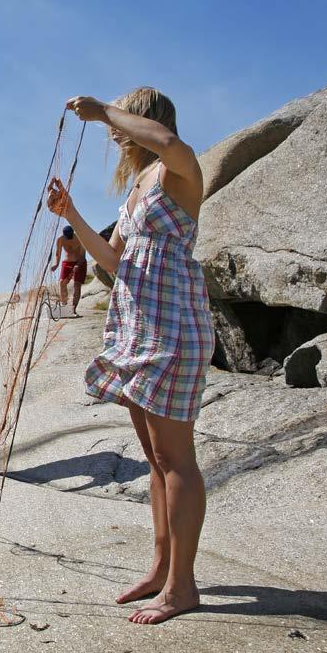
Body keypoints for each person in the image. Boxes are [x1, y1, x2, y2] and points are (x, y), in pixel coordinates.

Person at [47, 88, 215, 624]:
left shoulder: (177, 171)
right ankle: (162, 568)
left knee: (178, 460)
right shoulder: (137, 189)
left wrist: (103, 111)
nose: (112, 132)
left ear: (140, 118)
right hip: (137, 330)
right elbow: (115, 261)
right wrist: (70, 211)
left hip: (175, 330)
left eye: (121, 120)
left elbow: (167, 141)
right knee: (156, 460)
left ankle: (183, 587)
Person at [50, 225, 87, 315]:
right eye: (68, 237)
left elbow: (83, 255)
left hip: (80, 262)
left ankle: (73, 310)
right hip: (67, 262)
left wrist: (78, 265)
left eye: (71, 236)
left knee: (77, 285)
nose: (69, 238)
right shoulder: (60, 239)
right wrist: (56, 264)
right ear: (64, 234)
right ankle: (65, 308)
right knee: (62, 282)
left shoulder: (80, 237)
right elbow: (58, 253)